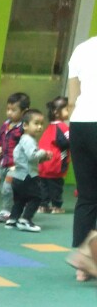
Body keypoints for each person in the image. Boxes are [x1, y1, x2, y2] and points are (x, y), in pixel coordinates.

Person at [66, 35, 97, 282]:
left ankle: (84, 268)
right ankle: (87, 254)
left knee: (87, 195)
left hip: (80, 125)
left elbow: (72, 100)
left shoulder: (82, 49)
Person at [5, 108, 50, 233]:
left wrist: (43, 158)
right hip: (28, 176)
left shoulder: (24, 140)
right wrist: (43, 152)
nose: (39, 127)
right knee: (37, 197)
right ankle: (25, 220)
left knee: (20, 199)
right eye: (36, 123)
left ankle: (13, 219)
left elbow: (29, 160)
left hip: (18, 176)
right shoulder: (28, 140)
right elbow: (32, 156)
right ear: (25, 125)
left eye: (41, 124)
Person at [0, 92, 29, 223]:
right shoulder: (5, 124)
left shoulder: (23, 128)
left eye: (13, 110)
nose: (9, 113)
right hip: (3, 163)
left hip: (15, 166)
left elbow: (26, 145)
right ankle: (18, 207)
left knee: (8, 188)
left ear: (24, 111)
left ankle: (7, 211)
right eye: (8, 109)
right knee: (3, 188)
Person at [37, 96, 71, 214]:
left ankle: (43, 205)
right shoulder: (62, 127)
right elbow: (67, 142)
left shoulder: (50, 127)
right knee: (56, 186)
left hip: (43, 165)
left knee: (44, 186)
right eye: (66, 109)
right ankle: (56, 206)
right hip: (55, 164)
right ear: (57, 112)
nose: (69, 112)